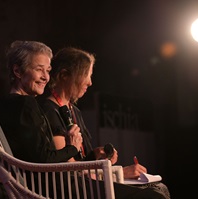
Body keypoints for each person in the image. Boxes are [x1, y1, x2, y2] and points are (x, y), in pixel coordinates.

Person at [39, 47, 171, 199]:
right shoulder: (49, 110)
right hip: (74, 189)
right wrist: (118, 172)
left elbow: (81, 160)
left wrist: (96, 155)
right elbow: (69, 168)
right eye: (85, 75)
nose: (89, 82)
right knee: (153, 194)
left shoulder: (74, 110)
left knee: (160, 188)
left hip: (88, 182)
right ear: (64, 75)